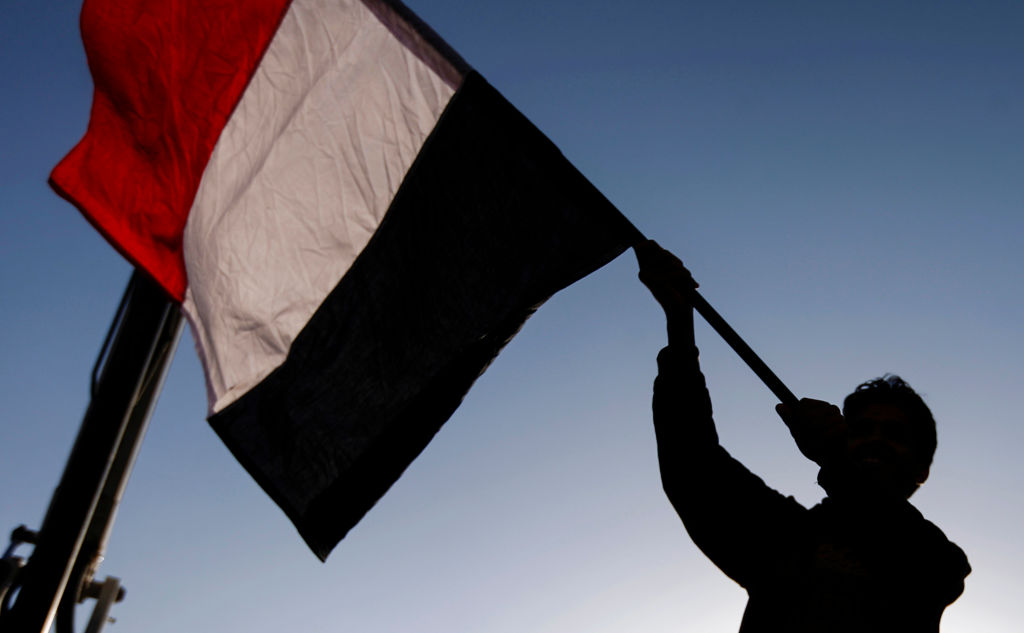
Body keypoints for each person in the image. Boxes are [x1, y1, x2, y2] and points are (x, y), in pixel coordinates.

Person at [635, 240, 969, 633]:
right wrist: (680, 326)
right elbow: (691, 464)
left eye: (895, 435)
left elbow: (913, 556)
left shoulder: (935, 561)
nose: (874, 441)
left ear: (922, 470)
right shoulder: (783, 535)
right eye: (861, 430)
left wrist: (837, 460)